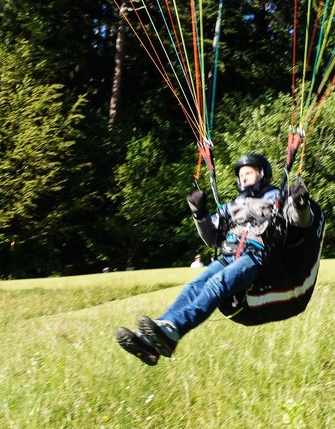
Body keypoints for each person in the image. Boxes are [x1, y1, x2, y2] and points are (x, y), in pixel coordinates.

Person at [116, 153, 313, 366]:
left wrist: (301, 204)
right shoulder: (232, 206)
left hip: (255, 257)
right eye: (241, 174)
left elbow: (301, 222)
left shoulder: (278, 197)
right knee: (193, 287)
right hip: (228, 255)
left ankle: (173, 330)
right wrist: (199, 213)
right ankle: (152, 340)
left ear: (262, 174)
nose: (244, 177)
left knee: (216, 285)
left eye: (249, 173)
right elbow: (212, 238)